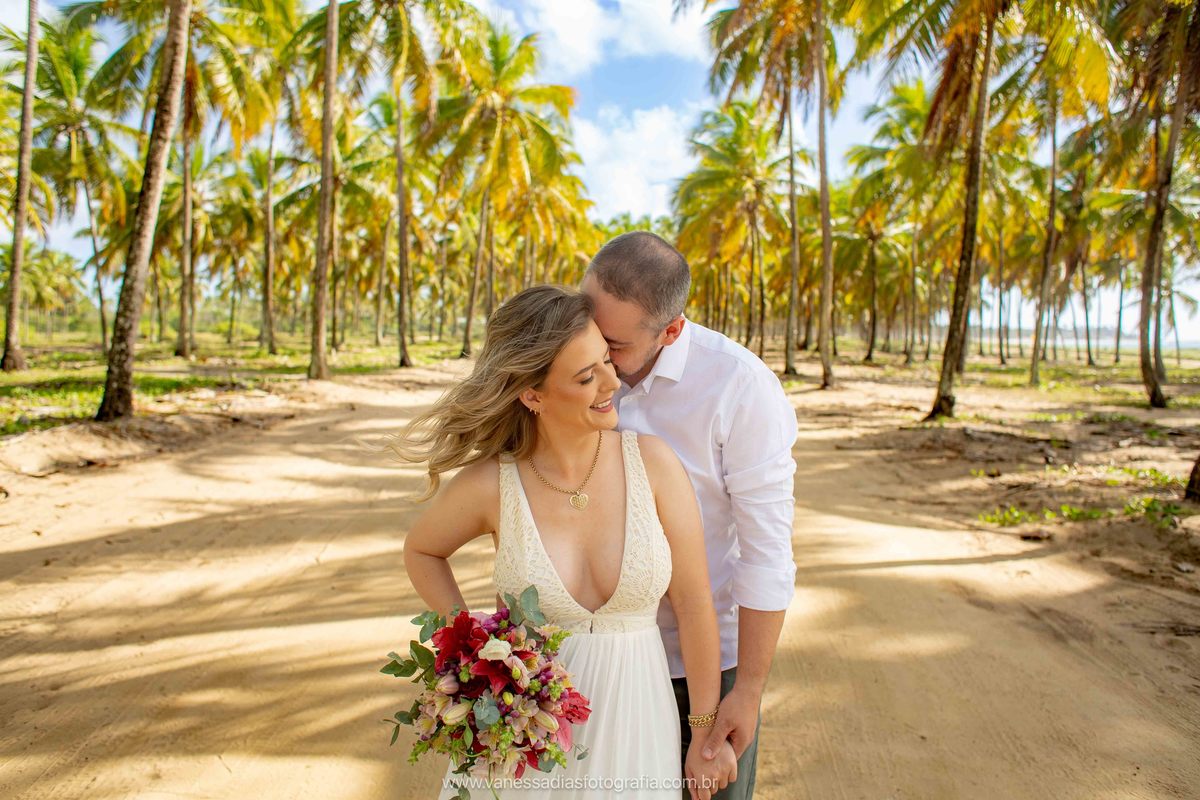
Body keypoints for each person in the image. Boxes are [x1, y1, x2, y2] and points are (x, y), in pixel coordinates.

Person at [396, 285, 739, 800]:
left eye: (606, 360)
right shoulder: (493, 484)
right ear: (532, 395)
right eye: (586, 376)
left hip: (637, 726)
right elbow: (422, 551)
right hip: (524, 737)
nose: (611, 382)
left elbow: (693, 605)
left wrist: (704, 733)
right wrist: (472, 650)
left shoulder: (654, 463)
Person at [581, 232, 798, 800]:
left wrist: (746, 689)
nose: (596, 359)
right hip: (600, 655)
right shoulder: (572, 360)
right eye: (588, 328)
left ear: (672, 330)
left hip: (702, 664)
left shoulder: (740, 388)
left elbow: (766, 554)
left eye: (615, 346)